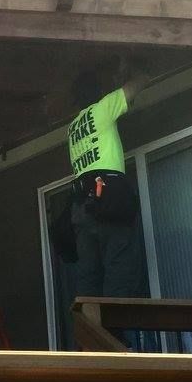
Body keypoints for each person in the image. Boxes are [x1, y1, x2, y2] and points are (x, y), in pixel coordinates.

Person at [67, 65, 149, 298]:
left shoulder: (72, 129)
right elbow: (137, 84)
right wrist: (138, 71)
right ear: (98, 93)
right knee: (120, 270)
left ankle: (92, 329)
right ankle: (116, 332)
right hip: (109, 198)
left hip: (81, 207)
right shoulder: (103, 109)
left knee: (89, 277)